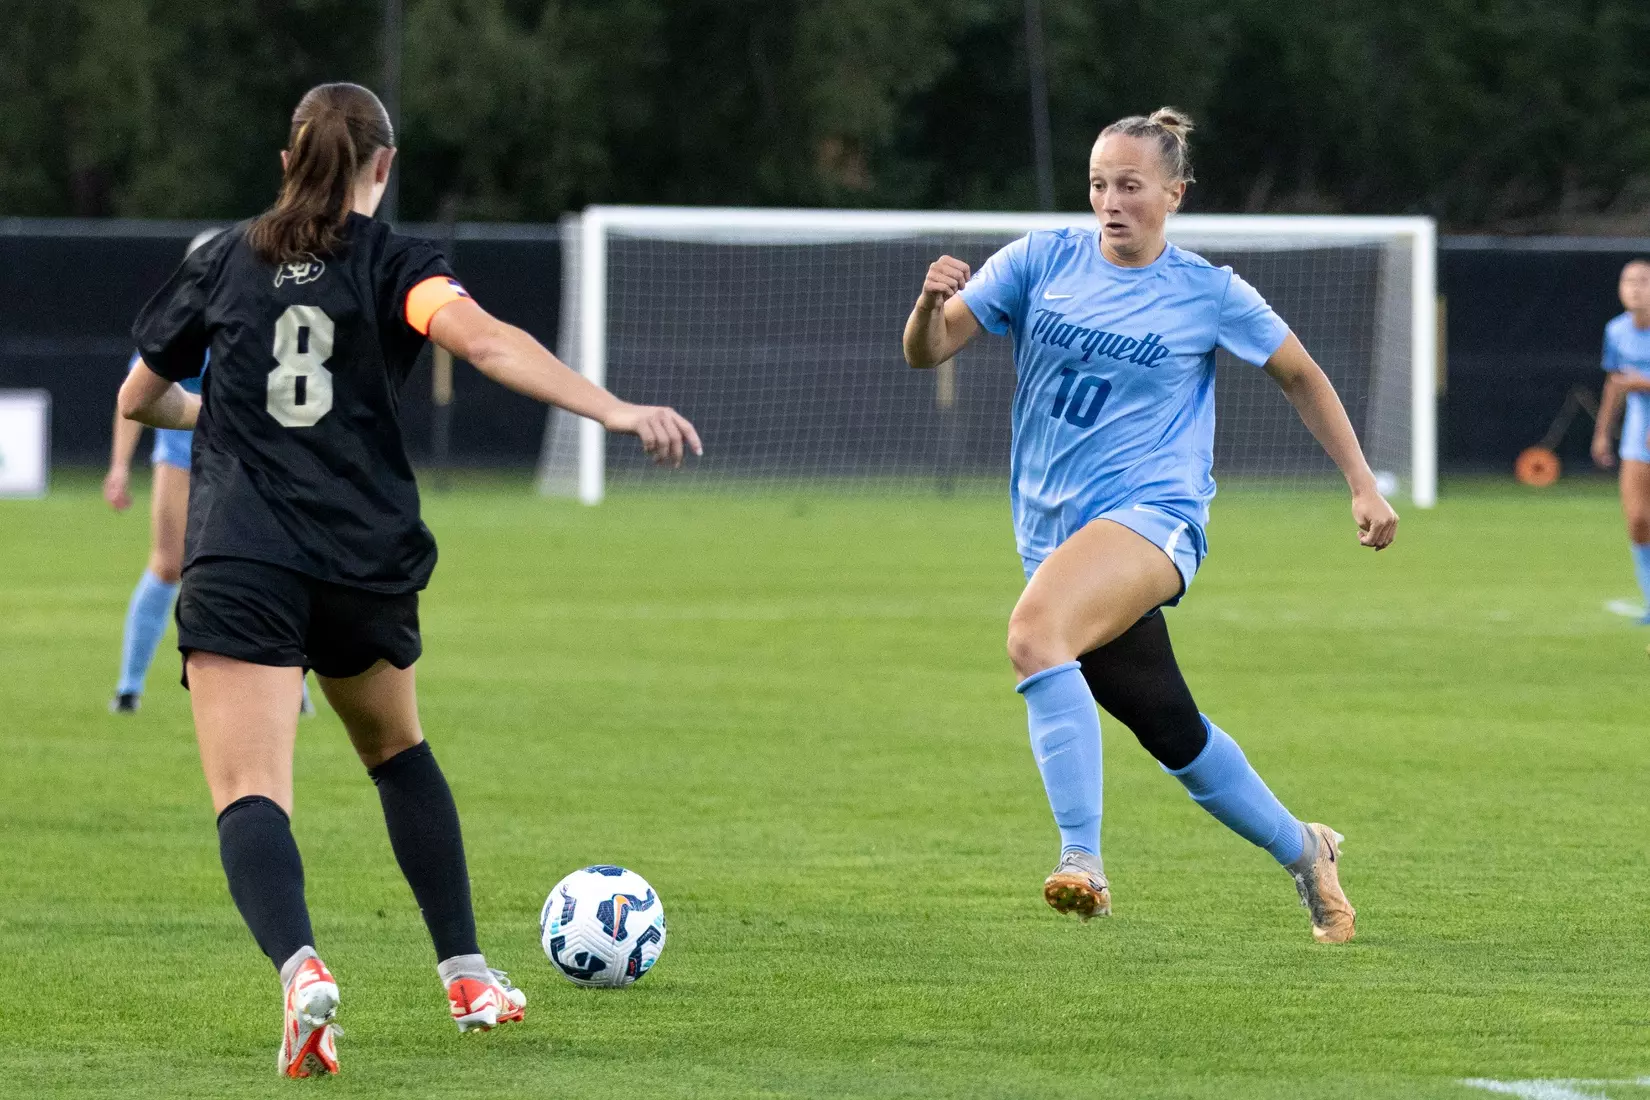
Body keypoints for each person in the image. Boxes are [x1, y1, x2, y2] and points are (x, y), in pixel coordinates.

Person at [119, 82, 701, 1078]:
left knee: (250, 790)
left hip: (244, 556)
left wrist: (226, 420)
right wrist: (607, 409)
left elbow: (144, 396)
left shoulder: (221, 257)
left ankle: (303, 972)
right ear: (381, 167)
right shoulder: (396, 263)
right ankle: (468, 971)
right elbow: (484, 341)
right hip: (362, 558)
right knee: (396, 749)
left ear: (287, 160)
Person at [902, 107, 1397, 944]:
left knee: (1033, 636)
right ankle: (1306, 849)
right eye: (1099, 183)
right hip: (1055, 535)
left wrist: (1362, 483)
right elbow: (929, 350)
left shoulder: (1209, 291)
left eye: (1130, 186)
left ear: (1174, 192)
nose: (1111, 201)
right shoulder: (1040, 260)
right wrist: (927, 304)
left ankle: (1081, 861)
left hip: (1154, 518)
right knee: (1169, 726)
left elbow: (1301, 374)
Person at [105, 241, 315, 717]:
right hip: (182, 452)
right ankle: (129, 686)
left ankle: (290, 680)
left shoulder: (263, 320)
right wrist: (120, 467)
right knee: (167, 564)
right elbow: (134, 401)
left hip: (248, 453)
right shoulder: (176, 321)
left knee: (273, 564)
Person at [1590, 259, 1650, 625]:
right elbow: (1615, 383)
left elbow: (1631, 381)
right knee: (1639, 521)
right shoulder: (1616, 331)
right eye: (1629, 281)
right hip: (1638, 433)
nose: (1636, 287)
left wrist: (1640, 383)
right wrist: (1601, 432)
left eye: (1644, 280)